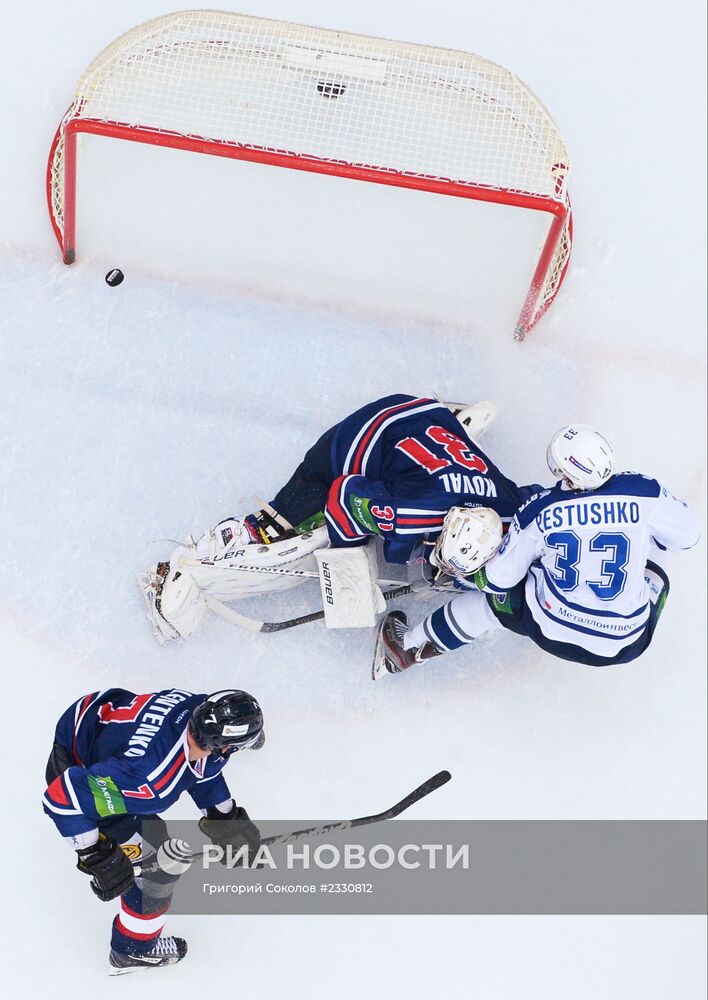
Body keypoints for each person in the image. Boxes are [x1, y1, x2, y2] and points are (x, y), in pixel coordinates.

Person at [142, 393, 540, 641]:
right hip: (370, 433)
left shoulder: (511, 508)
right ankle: (217, 549)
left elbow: (539, 502)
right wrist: (351, 566)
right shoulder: (409, 515)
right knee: (289, 527)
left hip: (431, 427)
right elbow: (344, 496)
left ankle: (445, 417)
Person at [374, 423, 700, 677]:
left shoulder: (540, 510)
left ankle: (408, 648)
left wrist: (466, 566)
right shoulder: (646, 492)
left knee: (489, 605)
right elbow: (688, 538)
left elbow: (499, 580)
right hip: (624, 645)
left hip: (549, 628)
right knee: (658, 550)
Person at [43, 688, 264, 972]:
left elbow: (202, 766)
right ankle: (133, 949)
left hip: (99, 718)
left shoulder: (197, 705)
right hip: (79, 761)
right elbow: (60, 797)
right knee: (158, 866)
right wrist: (97, 855)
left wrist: (225, 817)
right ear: (223, 747)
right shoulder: (151, 782)